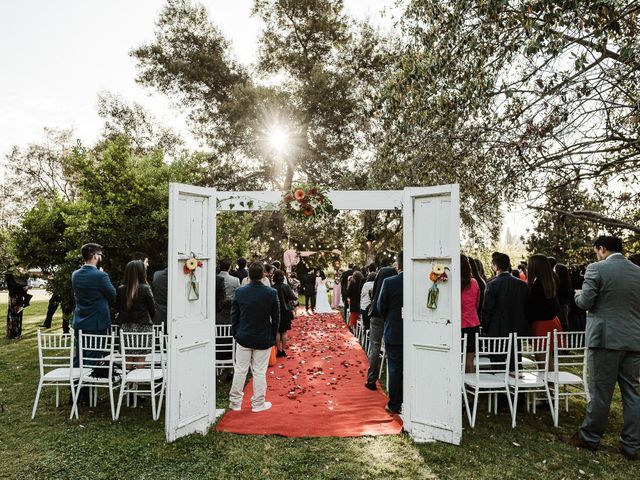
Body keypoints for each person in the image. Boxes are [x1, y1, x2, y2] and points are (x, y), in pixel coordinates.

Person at [562, 236, 640, 460]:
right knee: (633, 394)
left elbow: (585, 302)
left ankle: (589, 438)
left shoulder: (597, 269)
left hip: (605, 340)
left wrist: (576, 296)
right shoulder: (638, 272)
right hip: (634, 340)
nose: (596, 255)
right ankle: (631, 445)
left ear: (602, 249)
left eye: (596, 250)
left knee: (601, 393)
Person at [228, 262, 280, 413]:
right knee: (259, 371)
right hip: (263, 337)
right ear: (263, 274)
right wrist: (272, 334)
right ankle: (258, 403)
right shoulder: (271, 293)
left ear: (248, 275)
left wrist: (236, 333)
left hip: (243, 335)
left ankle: (235, 402)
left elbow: (234, 316)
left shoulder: (240, 292)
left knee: (240, 370)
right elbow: (276, 318)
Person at [481, 252, 529, 369]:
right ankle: (516, 386)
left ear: (495, 266)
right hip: (516, 329)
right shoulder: (522, 285)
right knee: (515, 362)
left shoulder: (492, 285)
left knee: (497, 363)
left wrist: (485, 328)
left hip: (496, 330)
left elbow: (487, 309)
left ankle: (501, 385)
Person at [71, 243, 116, 338]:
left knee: (81, 352)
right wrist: (101, 273)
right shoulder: (101, 275)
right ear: (95, 256)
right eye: (100, 255)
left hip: (79, 322)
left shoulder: (75, 274)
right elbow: (113, 295)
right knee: (95, 352)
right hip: (96, 324)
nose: (101, 258)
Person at [378, 252, 404, 415]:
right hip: (416, 333)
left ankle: (394, 404)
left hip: (394, 331)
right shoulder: (421, 281)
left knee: (395, 368)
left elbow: (381, 307)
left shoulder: (389, 282)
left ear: (399, 264)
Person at [116, 260, 155, 366]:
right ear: (141, 272)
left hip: (126, 327)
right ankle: (138, 380)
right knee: (141, 356)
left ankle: (127, 380)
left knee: (128, 356)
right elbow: (152, 309)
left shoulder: (120, 289)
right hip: (143, 326)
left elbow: (118, 308)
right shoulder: (146, 288)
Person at [365, 265, 397, 390]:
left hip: (376, 316)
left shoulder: (377, 290)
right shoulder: (395, 286)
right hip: (389, 317)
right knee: (389, 346)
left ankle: (372, 378)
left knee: (375, 346)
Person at [526, 254, 561, 366]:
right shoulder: (549, 281)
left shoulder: (537, 286)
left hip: (541, 324)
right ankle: (550, 382)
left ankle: (547, 382)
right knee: (549, 358)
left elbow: (532, 309)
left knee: (542, 359)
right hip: (552, 321)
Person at [461, 254, 481, 373]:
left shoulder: (451, 283)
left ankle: (459, 390)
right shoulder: (474, 282)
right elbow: (477, 303)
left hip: (457, 325)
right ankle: (470, 391)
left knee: (456, 361)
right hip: (472, 324)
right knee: (469, 362)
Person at [273, 269, 297, 357]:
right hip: (285, 311)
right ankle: (283, 350)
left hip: (276, 311)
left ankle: (278, 350)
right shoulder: (286, 287)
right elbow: (293, 297)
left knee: (277, 331)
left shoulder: (272, 288)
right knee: (284, 332)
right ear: (283, 277)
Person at [5, 271, 32, 339]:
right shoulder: (9, 275)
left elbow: (24, 285)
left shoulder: (20, 276)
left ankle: (17, 333)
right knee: (13, 315)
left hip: (19, 298)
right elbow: (14, 286)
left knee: (19, 315)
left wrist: (26, 286)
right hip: (13, 298)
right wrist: (24, 286)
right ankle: (12, 334)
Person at [218, 259, 240, 325]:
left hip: (216, 306)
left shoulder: (214, 278)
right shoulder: (235, 280)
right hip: (231, 307)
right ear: (229, 267)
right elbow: (238, 294)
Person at [554, 263, 572, 331]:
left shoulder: (560, 282)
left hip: (561, 304)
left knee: (562, 322)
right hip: (565, 304)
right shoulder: (567, 280)